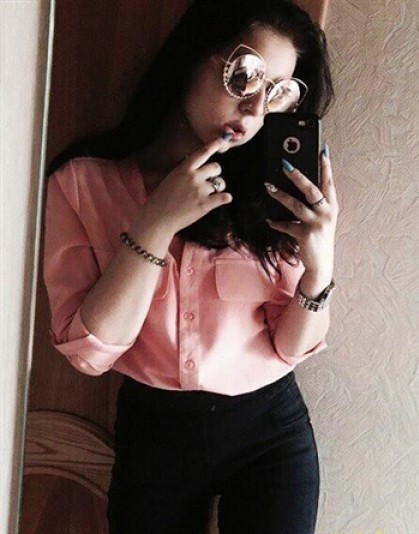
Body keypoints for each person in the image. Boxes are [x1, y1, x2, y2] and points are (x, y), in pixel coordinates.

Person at [42, 1, 337, 532]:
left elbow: (291, 348)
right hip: (155, 433)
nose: (254, 110)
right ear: (192, 57)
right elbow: (88, 355)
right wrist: (154, 225)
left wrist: (318, 268)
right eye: (244, 75)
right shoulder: (82, 184)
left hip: (269, 430)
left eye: (277, 93)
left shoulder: (272, 195)